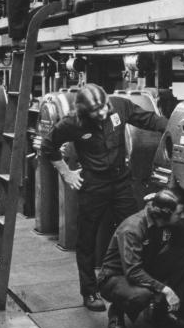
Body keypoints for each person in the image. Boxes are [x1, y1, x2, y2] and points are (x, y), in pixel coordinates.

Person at [39, 83, 169, 312]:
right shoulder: (72, 122)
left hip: (121, 182)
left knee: (136, 231)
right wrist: (66, 173)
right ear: (83, 111)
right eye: (95, 110)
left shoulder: (119, 105)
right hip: (94, 184)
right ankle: (89, 292)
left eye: (104, 107)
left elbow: (148, 120)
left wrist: (172, 127)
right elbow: (48, 145)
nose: (102, 113)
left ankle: (138, 284)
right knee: (87, 239)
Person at [97, 189, 184, 328]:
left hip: (143, 266)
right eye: (179, 213)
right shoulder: (132, 228)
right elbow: (133, 272)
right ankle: (116, 311)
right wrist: (165, 289)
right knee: (142, 295)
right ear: (165, 214)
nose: (183, 216)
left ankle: (161, 313)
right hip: (115, 277)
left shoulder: (166, 220)